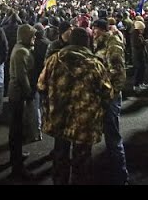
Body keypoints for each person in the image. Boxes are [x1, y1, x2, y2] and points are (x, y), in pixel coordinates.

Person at [39, 27, 112, 184]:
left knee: (60, 154)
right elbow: (107, 92)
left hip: (59, 117)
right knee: (82, 160)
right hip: (84, 121)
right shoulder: (95, 64)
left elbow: (41, 85)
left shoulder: (54, 60)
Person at [93, 19, 129, 185]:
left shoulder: (113, 44)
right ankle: (109, 169)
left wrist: (111, 91)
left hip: (110, 95)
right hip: (102, 93)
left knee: (113, 135)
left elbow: (117, 71)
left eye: (95, 30)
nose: (93, 32)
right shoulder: (98, 44)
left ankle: (120, 175)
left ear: (102, 30)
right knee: (108, 133)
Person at [7, 24, 36, 180]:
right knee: (16, 130)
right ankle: (17, 166)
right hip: (18, 94)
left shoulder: (21, 48)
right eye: (32, 36)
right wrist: (29, 93)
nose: (35, 38)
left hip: (17, 93)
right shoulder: (21, 52)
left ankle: (16, 156)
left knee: (17, 128)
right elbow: (22, 77)